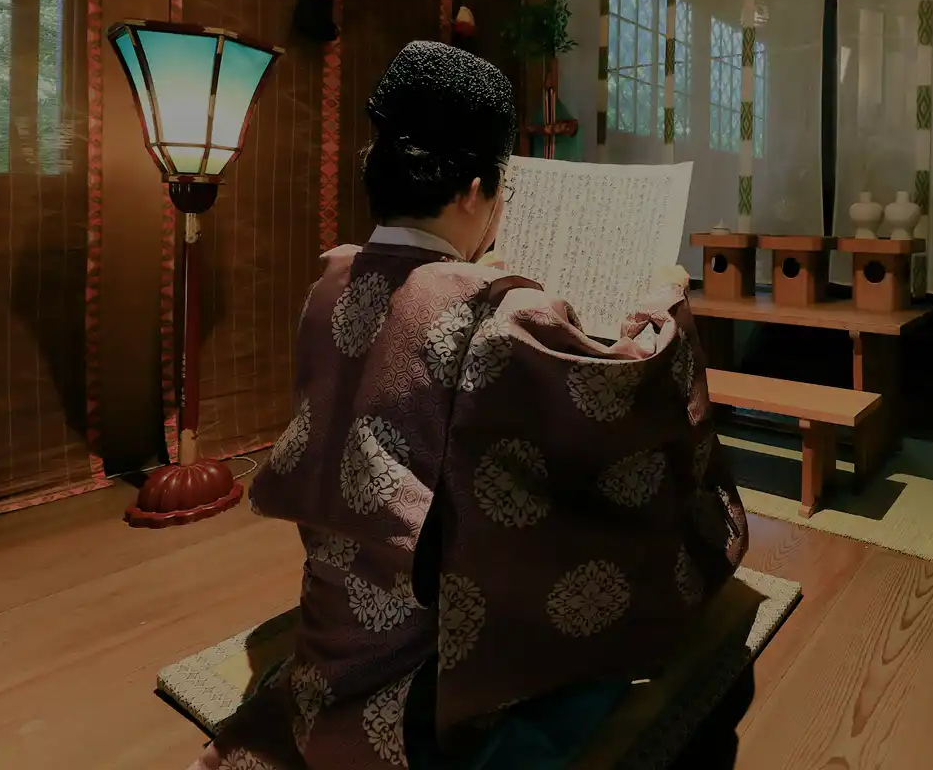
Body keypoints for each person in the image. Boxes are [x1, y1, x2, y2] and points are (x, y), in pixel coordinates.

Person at [189, 42, 749, 770]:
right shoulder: (496, 313)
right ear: (473, 191)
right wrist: (665, 301)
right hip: (432, 670)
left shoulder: (330, 280)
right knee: (617, 523)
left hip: (337, 627)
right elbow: (627, 395)